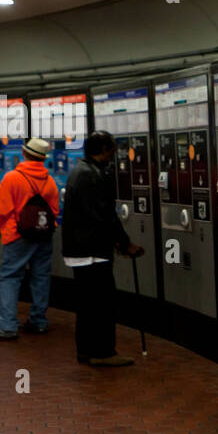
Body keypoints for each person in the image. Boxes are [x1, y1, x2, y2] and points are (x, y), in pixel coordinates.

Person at [61, 130, 144, 366]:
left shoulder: (80, 171)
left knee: (87, 305)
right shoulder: (93, 175)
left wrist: (118, 242)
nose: (113, 156)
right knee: (103, 304)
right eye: (112, 150)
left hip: (80, 250)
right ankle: (103, 352)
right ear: (104, 150)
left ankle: (86, 351)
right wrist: (125, 243)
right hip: (92, 252)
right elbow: (105, 216)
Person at [0, 138, 59, 340]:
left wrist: (6, 230)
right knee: (40, 277)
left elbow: (1, 209)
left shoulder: (12, 177)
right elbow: (54, 210)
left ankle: (6, 325)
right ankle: (38, 321)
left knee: (9, 277)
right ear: (42, 158)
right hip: (43, 235)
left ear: (24, 153)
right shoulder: (49, 180)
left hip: (18, 235)